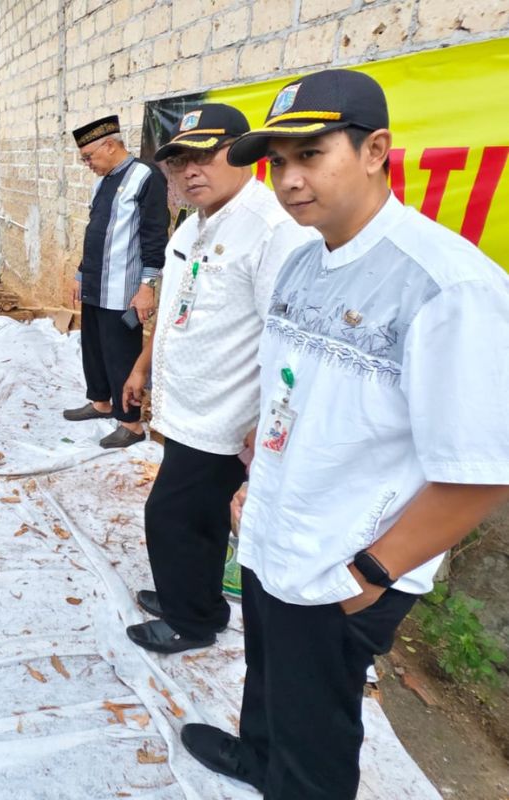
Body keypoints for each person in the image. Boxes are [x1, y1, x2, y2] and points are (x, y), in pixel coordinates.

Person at [179, 69, 509, 799]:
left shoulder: (448, 287)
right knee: (268, 674)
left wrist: (372, 574)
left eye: (312, 154)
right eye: (280, 161)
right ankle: (256, 756)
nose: (291, 179)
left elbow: (483, 470)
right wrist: (254, 487)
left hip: (345, 562)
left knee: (317, 733)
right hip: (279, 529)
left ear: (375, 150)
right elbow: (292, 396)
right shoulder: (303, 260)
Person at [120, 103, 315, 655]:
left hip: (228, 417)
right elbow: (180, 306)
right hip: (187, 407)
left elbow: (289, 341)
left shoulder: (272, 230)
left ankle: (193, 621)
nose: (191, 171)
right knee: (198, 518)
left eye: (207, 155)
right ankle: (195, 596)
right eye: (180, 161)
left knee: (171, 517)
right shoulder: (198, 222)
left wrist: (266, 419)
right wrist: (143, 367)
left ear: (243, 153)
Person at [62, 115, 168, 449]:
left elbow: (154, 235)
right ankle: (100, 402)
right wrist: (81, 274)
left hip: (123, 287)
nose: (87, 164)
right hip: (95, 282)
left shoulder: (145, 177)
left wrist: (147, 286)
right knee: (92, 346)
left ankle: (131, 424)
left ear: (110, 145)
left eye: (89, 157)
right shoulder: (102, 181)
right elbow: (95, 233)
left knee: (121, 353)